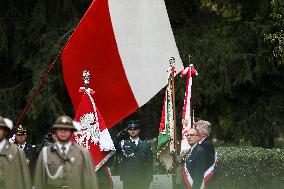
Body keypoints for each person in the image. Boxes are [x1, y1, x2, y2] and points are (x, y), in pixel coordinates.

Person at [34, 115, 98, 189]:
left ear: (72, 132)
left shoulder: (83, 153)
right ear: (55, 132)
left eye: (66, 129)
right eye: (60, 129)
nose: (63, 132)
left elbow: (90, 182)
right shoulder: (45, 153)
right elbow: (39, 181)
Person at [115, 120, 153, 189]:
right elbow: (113, 148)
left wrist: (149, 179)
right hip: (128, 178)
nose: (133, 131)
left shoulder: (145, 144)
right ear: (128, 131)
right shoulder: (123, 143)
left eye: (135, 129)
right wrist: (119, 135)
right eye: (130, 129)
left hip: (142, 178)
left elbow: (149, 163)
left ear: (139, 130)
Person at [0, 116, 32, 189]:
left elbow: (25, 178)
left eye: (0, 128)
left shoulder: (17, 151)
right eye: (18, 135)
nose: (20, 137)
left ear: (5, 131)